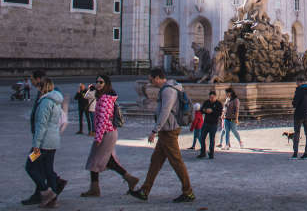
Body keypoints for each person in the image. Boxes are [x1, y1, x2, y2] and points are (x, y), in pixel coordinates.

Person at [129, 67, 195, 203]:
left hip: (169, 130)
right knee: (156, 161)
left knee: (176, 162)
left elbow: (165, 111)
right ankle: (144, 190)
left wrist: (155, 130)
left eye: (151, 79)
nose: (151, 82)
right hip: (167, 130)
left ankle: (188, 192)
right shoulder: (171, 87)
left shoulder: (168, 90)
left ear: (158, 77)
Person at [81, 75, 138, 197]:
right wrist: (89, 90)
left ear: (106, 84)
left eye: (101, 82)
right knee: (107, 160)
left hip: (106, 133)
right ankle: (129, 178)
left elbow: (103, 120)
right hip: (108, 132)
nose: (98, 84)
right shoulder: (102, 97)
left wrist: (98, 138)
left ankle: (95, 189)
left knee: (95, 160)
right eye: (96, 82)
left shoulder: (105, 99)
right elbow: (85, 97)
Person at [22, 70, 67, 205]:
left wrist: (36, 145)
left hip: (41, 144)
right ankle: (52, 199)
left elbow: (41, 126)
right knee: (47, 169)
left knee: (30, 166)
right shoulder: (56, 101)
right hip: (53, 142)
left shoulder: (44, 103)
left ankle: (46, 192)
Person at [291, 76, 307, 159]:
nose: (296, 84)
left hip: (299, 114)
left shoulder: (299, 90)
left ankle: (295, 153)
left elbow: (295, 103)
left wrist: (294, 103)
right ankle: (306, 154)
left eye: (297, 82)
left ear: (300, 82)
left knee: (296, 133)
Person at [199, 91, 222, 159]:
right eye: (210, 97)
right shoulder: (207, 102)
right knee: (202, 137)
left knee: (212, 139)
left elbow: (219, 113)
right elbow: (201, 110)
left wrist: (212, 111)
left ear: (215, 97)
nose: (211, 99)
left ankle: (211, 153)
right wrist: (206, 110)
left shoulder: (218, 103)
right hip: (206, 123)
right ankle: (203, 152)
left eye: (212, 97)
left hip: (214, 124)